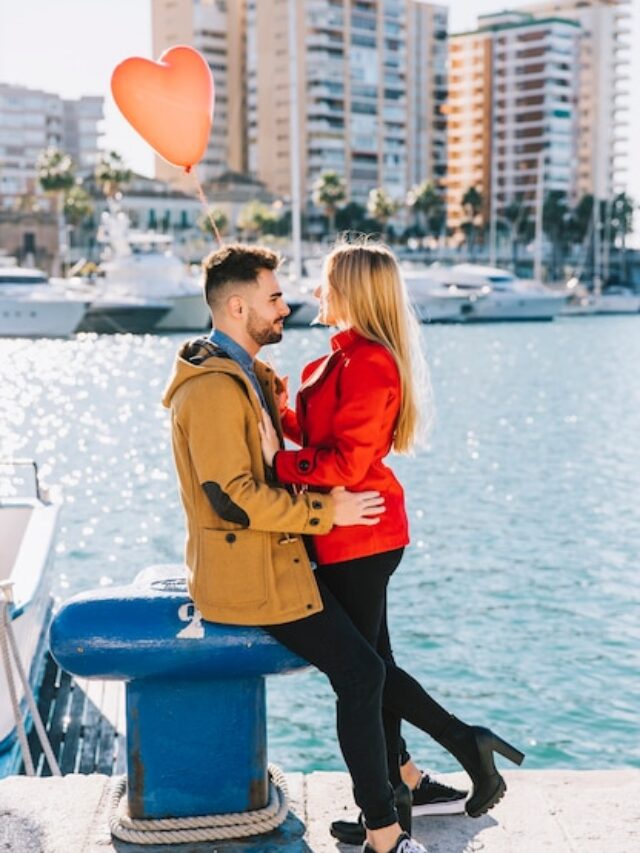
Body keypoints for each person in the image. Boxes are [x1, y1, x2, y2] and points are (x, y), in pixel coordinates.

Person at [163, 243, 431, 853]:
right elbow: (232, 498)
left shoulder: (247, 374)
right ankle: (387, 829)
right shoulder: (211, 388)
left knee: (367, 667)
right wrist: (324, 509)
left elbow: (286, 460)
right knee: (365, 671)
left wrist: (284, 420)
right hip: (251, 573)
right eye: (274, 297)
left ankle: (391, 812)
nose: (288, 306)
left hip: (281, 560)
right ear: (237, 307)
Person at [258, 241, 525, 845]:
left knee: (363, 673)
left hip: (362, 534)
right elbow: (324, 433)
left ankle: (439, 761)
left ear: (351, 289)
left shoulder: (370, 362)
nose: (318, 292)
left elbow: (347, 463)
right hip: (348, 531)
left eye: (327, 282)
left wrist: (281, 462)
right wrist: (283, 414)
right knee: (373, 668)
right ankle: (411, 779)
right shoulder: (341, 359)